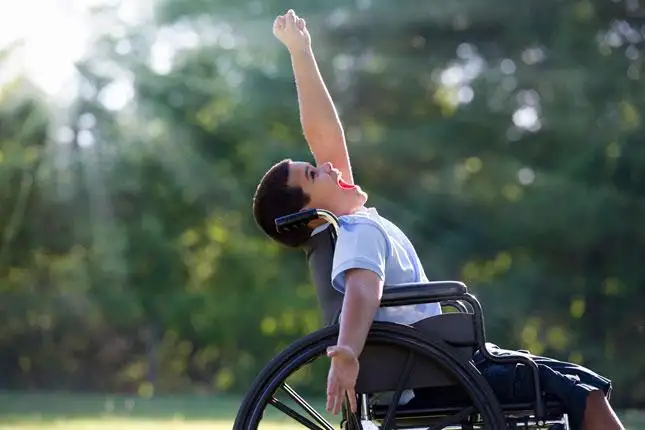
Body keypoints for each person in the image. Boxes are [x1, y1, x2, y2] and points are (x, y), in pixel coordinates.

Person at [252, 9, 625, 430]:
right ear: (309, 215)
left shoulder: (351, 224)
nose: (329, 166)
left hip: (436, 366)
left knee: (578, 383)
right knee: (584, 393)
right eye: (314, 174)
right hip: (437, 375)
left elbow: (326, 137)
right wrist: (349, 353)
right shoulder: (357, 230)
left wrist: (301, 53)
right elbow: (363, 290)